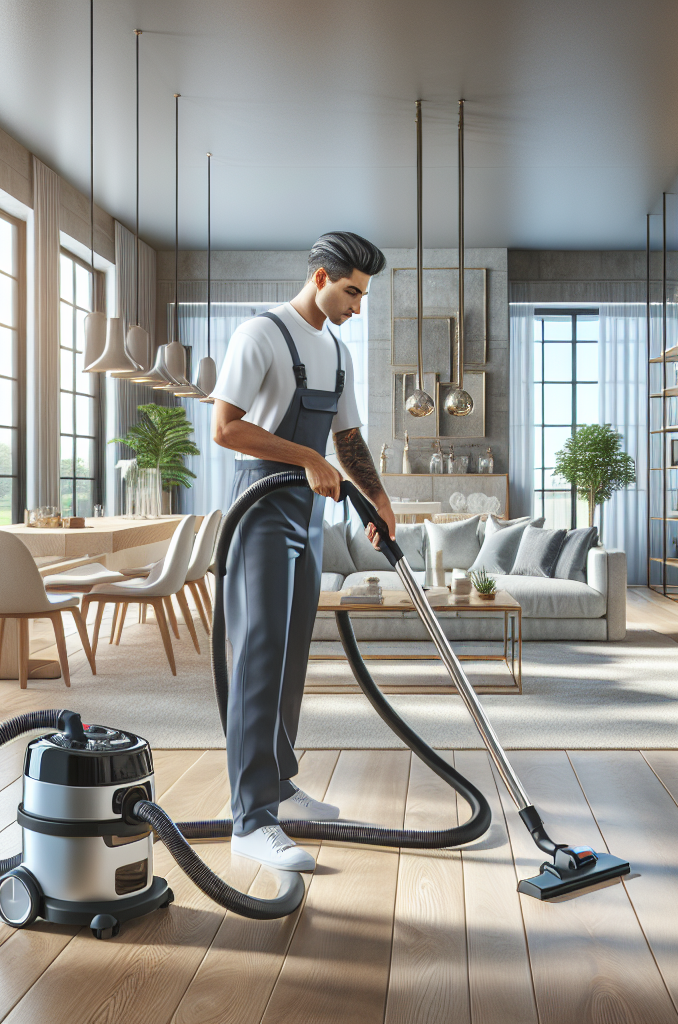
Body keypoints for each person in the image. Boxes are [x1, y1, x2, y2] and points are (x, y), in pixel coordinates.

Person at [210, 232, 395, 872]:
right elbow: (226, 428)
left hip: (307, 517)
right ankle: (249, 821)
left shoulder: (337, 352)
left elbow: (348, 436)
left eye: (363, 295)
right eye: (351, 291)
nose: (357, 306)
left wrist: (378, 499)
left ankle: (280, 788)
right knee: (259, 655)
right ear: (320, 277)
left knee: (291, 655)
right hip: (258, 510)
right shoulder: (260, 335)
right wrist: (308, 458)